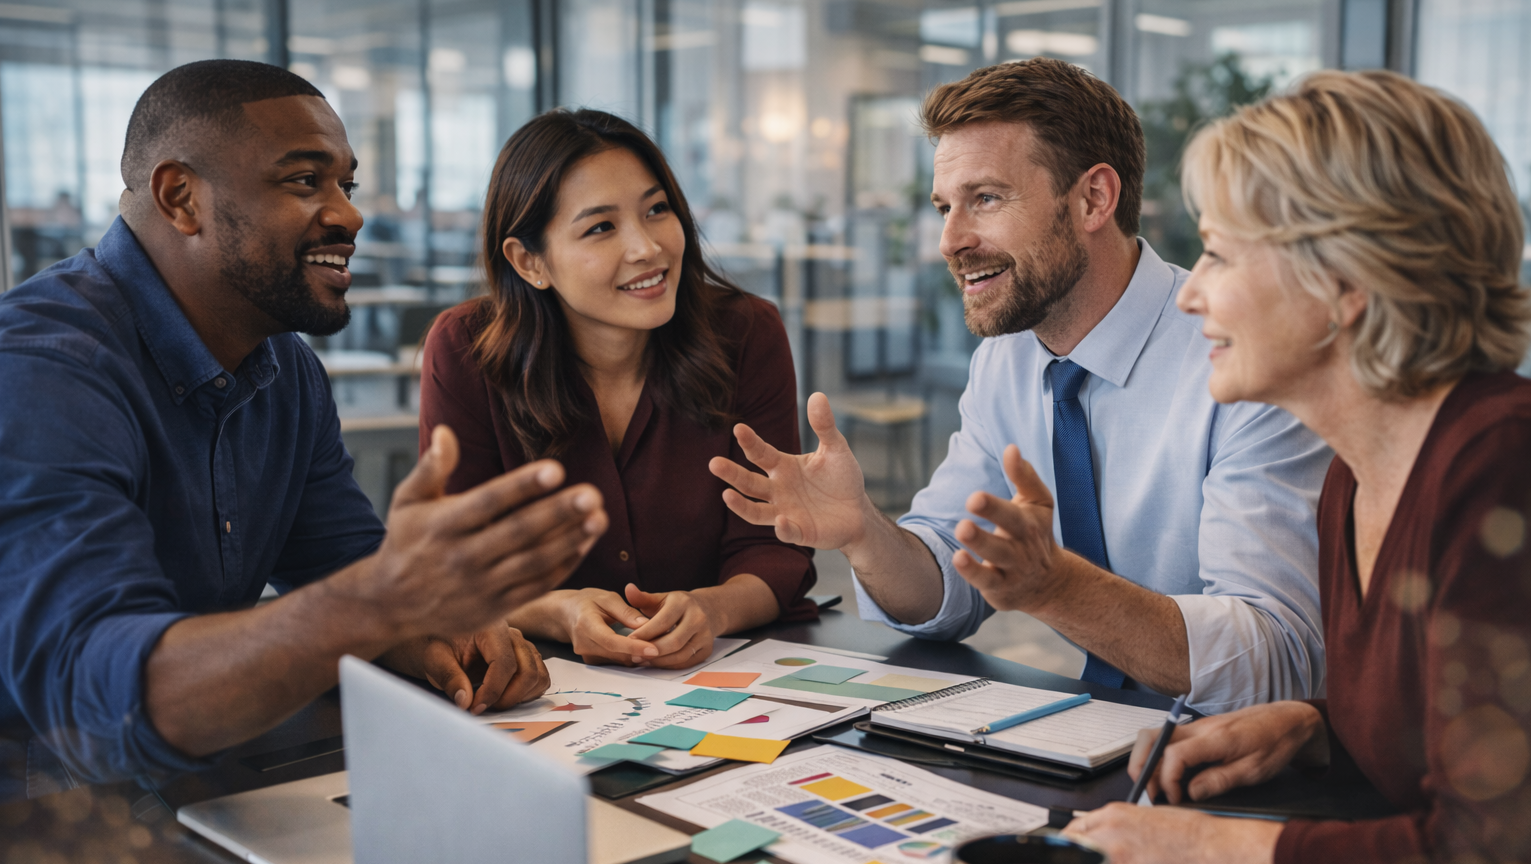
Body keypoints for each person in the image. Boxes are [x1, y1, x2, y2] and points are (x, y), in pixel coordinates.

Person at [0, 60, 608, 801]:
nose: (349, 215)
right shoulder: (43, 371)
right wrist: (382, 601)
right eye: (302, 182)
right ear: (180, 197)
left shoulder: (284, 369)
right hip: (50, 812)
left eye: (346, 186)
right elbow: (98, 702)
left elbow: (339, 564)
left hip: (203, 788)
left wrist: (437, 631)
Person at [710, 58, 1331, 712]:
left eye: (986, 199)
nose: (950, 241)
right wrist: (864, 532)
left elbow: (1279, 657)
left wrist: (1056, 589)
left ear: (1094, 198)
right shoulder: (1007, 360)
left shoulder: (1239, 359)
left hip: (1253, 766)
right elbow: (947, 582)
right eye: (945, 207)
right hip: (1099, 745)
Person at [1063, 71, 1531, 863]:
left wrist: (1213, 849)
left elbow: (1492, 842)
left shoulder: (1500, 468)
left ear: (1344, 281)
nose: (1189, 294)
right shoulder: (1354, 475)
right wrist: (1317, 729)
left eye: (1217, 254)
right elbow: (1466, 744)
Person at [417, 109, 816, 669]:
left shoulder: (745, 332)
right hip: (544, 684)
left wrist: (713, 610)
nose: (648, 248)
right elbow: (454, 565)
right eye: (601, 227)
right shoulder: (467, 349)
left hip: (724, 669)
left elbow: (774, 545)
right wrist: (559, 611)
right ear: (530, 261)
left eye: (657, 210)